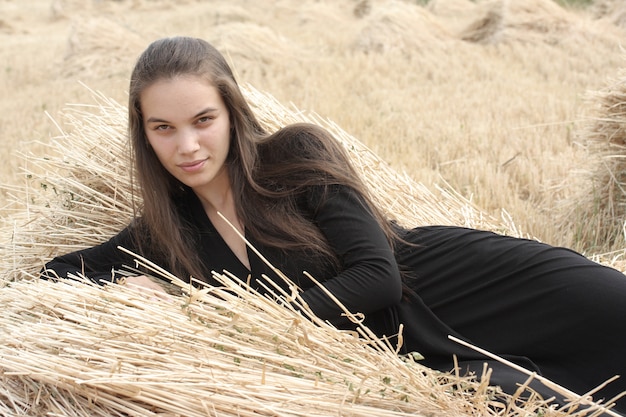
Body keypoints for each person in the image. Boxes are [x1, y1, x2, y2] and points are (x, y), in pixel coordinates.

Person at [42, 36, 626, 415]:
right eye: (163, 128)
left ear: (232, 113)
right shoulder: (164, 233)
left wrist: (225, 315)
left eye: (203, 119)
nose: (187, 145)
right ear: (144, 134)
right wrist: (134, 288)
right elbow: (53, 275)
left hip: (470, 284)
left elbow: (377, 278)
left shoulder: (293, 156)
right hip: (419, 352)